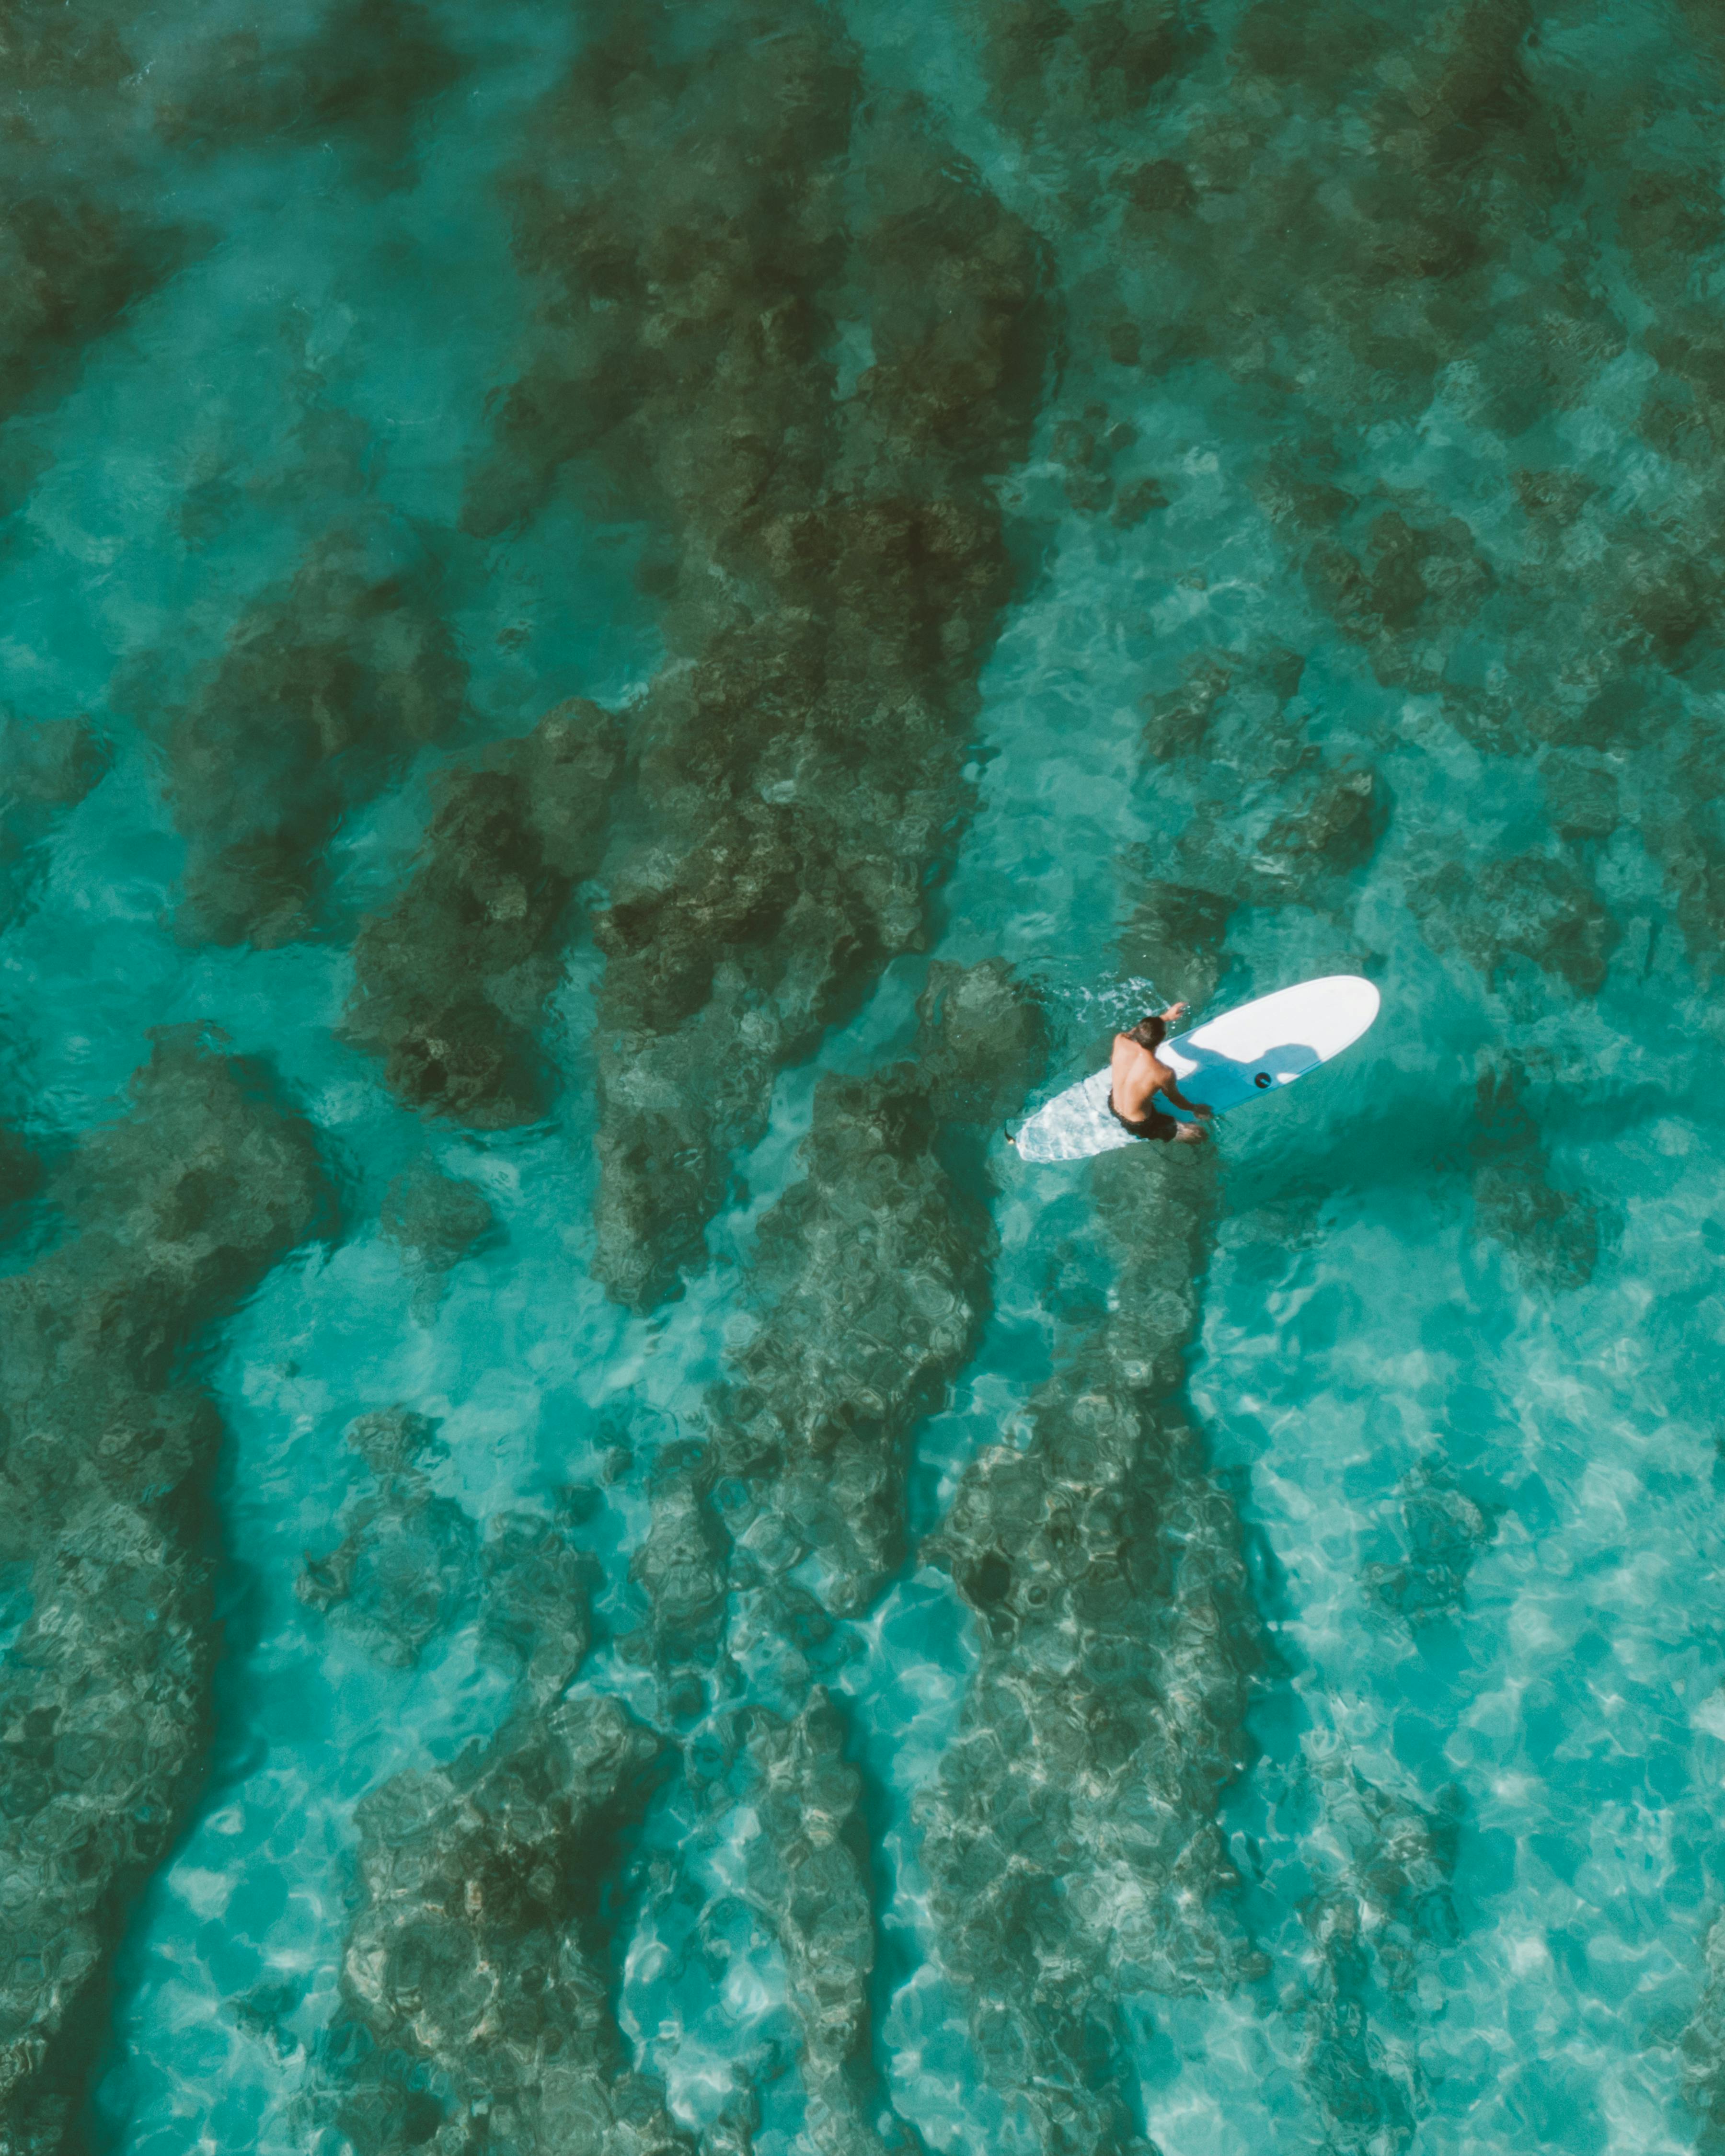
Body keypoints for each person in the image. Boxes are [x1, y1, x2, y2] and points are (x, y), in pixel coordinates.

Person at [1109, 1003, 1214, 1144]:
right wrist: (1195, 1108)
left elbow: (1137, 1032)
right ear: (1161, 1039)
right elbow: (1177, 1101)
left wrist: (1165, 1017)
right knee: (1199, 1134)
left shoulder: (1121, 1040)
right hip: (1138, 1125)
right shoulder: (1163, 1073)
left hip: (1112, 1104)